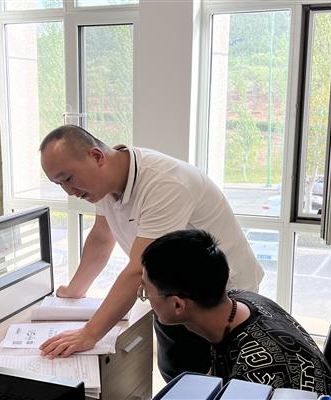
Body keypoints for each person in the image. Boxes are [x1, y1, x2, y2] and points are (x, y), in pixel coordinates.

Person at [38, 125, 264, 381]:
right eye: (59, 184)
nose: (69, 192)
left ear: (97, 156)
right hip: (171, 291)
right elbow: (101, 237)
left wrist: (89, 334)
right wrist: (75, 290)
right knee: (176, 375)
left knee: (208, 380)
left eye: (68, 178)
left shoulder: (164, 183)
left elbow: (138, 269)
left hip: (219, 296)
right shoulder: (104, 184)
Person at [139, 229, 331, 397]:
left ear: (178, 305)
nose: (145, 297)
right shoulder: (239, 300)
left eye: (146, 291)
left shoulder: (255, 376)